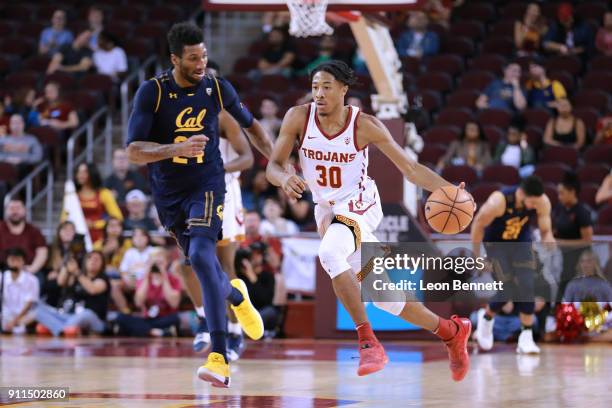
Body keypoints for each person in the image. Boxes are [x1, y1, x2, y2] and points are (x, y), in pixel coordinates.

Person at [266, 60, 472, 381]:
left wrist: (447, 189)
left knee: (330, 254)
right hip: (327, 210)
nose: (319, 94)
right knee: (386, 298)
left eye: (327, 87)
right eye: (315, 87)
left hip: (360, 205)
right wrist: (283, 178)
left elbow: (411, 169)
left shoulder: (364, 125)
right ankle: (452, 331)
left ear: (344, 90)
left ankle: (368, 343)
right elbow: (274, 165)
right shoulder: (297, 117)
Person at [126, 22, 274, 387]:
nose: (201, 63)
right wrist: (175, 149)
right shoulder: (153, 93)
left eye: (204, 55)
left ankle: (219, 356)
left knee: (206, 259)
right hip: (168, 193)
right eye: (193, 58)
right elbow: (133, 151)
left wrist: (279, 166)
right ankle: (236, 294)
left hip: (207, 185)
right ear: (175, 59)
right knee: (196, 262)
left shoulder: (217, 88)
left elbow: (253, 127)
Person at [173, 62, 273, 359]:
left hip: (225, 193)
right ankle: (204, 317)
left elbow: (246, 159)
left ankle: (233, 332)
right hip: (191, 193)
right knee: (187, 264)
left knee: (224, 267)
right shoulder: (180, 115)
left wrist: (216, 170)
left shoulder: (223, 116)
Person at [471, 176, 555, 354]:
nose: (533, 207)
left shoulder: (542, 201)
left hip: (521, 242)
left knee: (527, 285)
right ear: (522, 194)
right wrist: (478, 257)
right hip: (496, 245)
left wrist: (548, 237)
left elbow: (545, 228)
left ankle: (526, 338)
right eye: (531, 203)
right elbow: (477, 225)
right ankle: (486, 319)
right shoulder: (498, 202)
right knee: (507, 289)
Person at [35, 250, 109, 337]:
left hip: (95, 320)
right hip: (70, 316)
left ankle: (55, 327)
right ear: (85, 262)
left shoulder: (103, 279)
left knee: (86, 313)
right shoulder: (76, 277)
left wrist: (76, 271)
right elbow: (60, 282)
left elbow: (92, 289)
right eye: (90, 258)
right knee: (37, 309)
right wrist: (67, 263)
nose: (93, 261)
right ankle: (64, 330)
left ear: (102, 264)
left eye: (97, 259)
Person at [115, 248, 182, 337]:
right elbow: (138, 302)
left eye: (160, 262)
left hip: (165, 317)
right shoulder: (143, 280)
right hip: (147, 318)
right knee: (121, 318)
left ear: (166, 262)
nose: (156, 266)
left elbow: (174, 304)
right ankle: (158, 332)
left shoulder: (174, 279)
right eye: (154, 263)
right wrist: (146, 274)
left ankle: (144, 331)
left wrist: (164, 275)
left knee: (176, 319)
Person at [553, 172, 593, 300]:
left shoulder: (582, 212)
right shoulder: (559, 209)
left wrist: (561, 243)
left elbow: (587, 241)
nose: (559, 197)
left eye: (562, 193)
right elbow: (556, 229)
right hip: (563, 259)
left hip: (579, 261)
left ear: (572, 192)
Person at [66, 163, 123, 242]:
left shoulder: (104, 193)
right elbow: (64, 217)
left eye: (84, 172)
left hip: (99, 238)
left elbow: (118, 218)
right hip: (77, 238)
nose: (80, 175)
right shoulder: (72, 196)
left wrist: (94, 224)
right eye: (78, 172)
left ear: (92, 173)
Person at [0, 197, 48, 273]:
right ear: (6, 211)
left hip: (28, 270)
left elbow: (42, 252)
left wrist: (32, 269)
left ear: (25, 210)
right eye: (12, 208)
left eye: (18, 208)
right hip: (2, 270)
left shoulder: (34, 231)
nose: (15, 212)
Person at [1, 248, 40, 334]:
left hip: (23, 316)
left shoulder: (32, 280)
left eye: (18, 260)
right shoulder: (2, 277)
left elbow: (29, 304)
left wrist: (14, 321)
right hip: (5, 315)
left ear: (23, 262)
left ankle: (14, 326)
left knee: (37, 313)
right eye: (12, 260)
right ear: (7, 261)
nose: (15, 263)